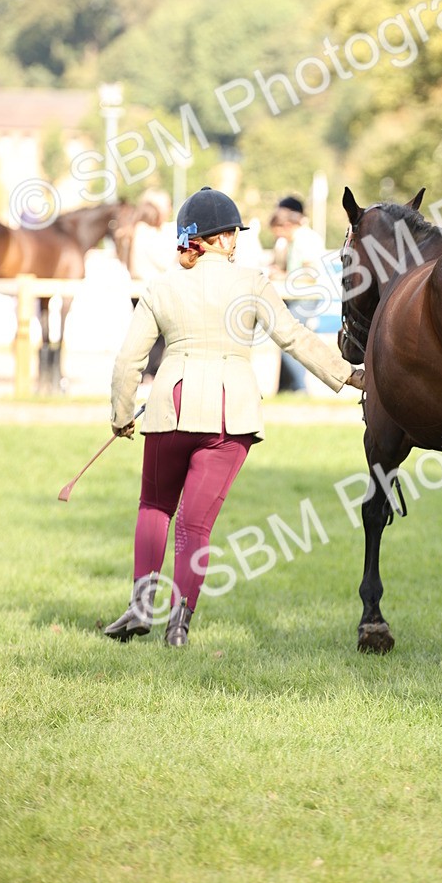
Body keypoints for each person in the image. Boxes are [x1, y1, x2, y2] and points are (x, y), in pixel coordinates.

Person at [104, 187, 364, 648]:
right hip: (230, 417)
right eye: (231, 233)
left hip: (172, 410)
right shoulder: (252, 282)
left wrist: (121, 415)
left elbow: (129, 359)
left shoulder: (162, 287)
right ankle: (179, 624)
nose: (237, 240)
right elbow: (294, 338)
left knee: (155, 507)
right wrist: (347, 375)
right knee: (194, 525)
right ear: (217, 239)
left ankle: (141, 606)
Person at [267, 204, 327, 394]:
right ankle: (287, 388)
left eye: (277, 231)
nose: (277, 236)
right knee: (286, 341)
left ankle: (300, 388)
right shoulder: (295, 240)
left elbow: (309, 274)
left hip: (305, 297)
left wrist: (283, 276)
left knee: (290, 342)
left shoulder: (305, 239)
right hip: (297, 297)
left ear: (285, 225)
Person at [126, 189, 176, 382]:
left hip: (143, 289)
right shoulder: (145, 232)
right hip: (149, 289)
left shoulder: (136, 230)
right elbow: (163, 260)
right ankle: (148, 374)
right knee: (157, 336)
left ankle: (147, 374)